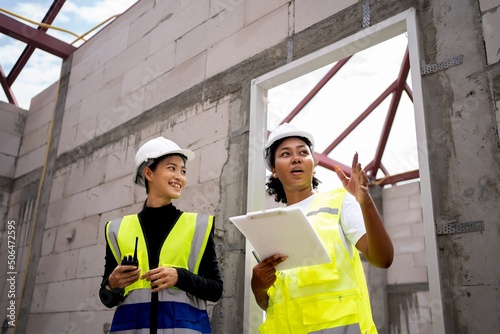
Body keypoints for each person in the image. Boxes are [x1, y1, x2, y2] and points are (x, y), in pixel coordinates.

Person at [251, 123, 394, 334]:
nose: (296, 158)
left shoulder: (340, 202)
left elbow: (383, 259)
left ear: (313, 164)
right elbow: (270, 303)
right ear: (274, 170)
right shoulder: (271, 224)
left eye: (303, 152)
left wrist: (365, 202)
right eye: (285, 154)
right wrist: (258, 286)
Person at [99, 136, 223, 334]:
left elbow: (215, 290)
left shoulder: (198, 226)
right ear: (149, 173)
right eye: (171, 168)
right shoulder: (117, 229)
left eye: (183, 171)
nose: (179, 177)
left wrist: (179, 276)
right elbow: (107, 298)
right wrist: (112, 284)